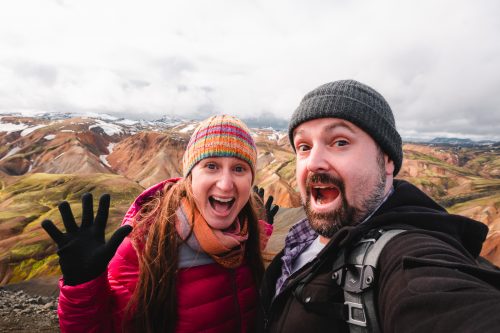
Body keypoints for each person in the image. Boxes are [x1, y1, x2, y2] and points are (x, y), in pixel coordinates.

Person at [259, 80, 500, 332]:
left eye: (340, 142)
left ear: (386, 160)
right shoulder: (301, 239)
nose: (313, 162)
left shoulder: (407, 254)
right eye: (304, 147)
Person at [41, 114, 278, 333]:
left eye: (239, 168)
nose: (225, 184)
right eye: (212, 166)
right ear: (190, 176)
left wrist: (261, 232)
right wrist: (83, 286)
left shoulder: (246, 237)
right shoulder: (144, 244)